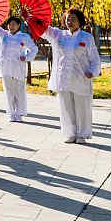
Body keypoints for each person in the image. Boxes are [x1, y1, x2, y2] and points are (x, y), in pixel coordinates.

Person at [41, 9, 101, 144]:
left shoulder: (86, 38)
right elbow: (42, 28)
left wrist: (92, 71)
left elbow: (95, 59)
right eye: (68, 19)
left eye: (73, 19)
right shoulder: (58, 35)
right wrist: (28, 17)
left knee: (82, 107)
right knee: (66, 107)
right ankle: (69, 133)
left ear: (80, 21)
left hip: (81, 78)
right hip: (63, 77)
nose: (70, 21)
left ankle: (82, 134)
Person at [0, 13, 38, 120]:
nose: (11, 26)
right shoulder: (3, 35)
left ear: (18, 26)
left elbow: (34, 49)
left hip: (18, 68)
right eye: (9, 24)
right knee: (8, 91)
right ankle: (11, 112)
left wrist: (26, 57)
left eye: (14, 24)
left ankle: (19, 113)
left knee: (19, 91)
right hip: (6, 68)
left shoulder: (23, 37)